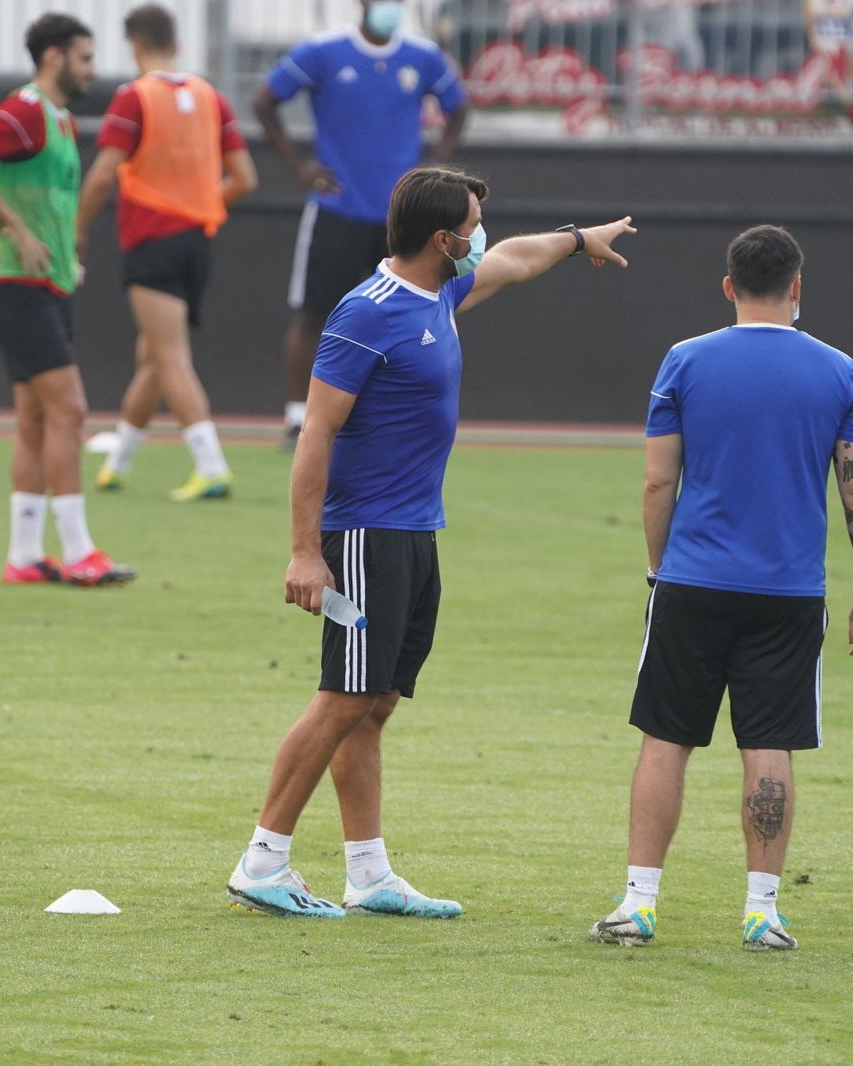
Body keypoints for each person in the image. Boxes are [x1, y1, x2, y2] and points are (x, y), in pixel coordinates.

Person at [224, 167, 635, 919]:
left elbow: (512, 258)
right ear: (443, 239)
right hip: (362, 537)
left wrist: (581, 241)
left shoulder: (442, 289)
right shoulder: (365, 314)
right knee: (342, 698)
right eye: (473, 224)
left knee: (374, 702)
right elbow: (316, 433)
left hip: (415, 535)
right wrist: (304, 551)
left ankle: (369, 873)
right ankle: (262, 861)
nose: (482, 235)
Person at [589, 225, 853, 952]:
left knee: (666, 739)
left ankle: (639, 904)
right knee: (770, 744)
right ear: (797, 287)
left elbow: (660, 481)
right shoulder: (840, 372)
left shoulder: (685, 362)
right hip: (787, 591)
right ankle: (762, 912)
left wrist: (662, 568)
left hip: (692, 580)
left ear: (728, 287)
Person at [0, 13, 135, 587]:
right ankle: (78, 552)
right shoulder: (24, 109)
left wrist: (65, 241)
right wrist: (15, 228)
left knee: (33, 418)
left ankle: (24, 555)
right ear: (54, 57)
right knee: (69, 409)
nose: (92, 70)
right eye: (85, 57)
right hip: (14, 279)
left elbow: (53, 200)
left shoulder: (62, 121)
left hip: (47, 281)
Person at [256, 0, 470, 449]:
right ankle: (298, 418)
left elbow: (458, 106)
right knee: (315, 311)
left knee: (412, 312)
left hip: (403, 215)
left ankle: (405, 415)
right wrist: (300, 166)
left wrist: (437, 164)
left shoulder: (424, 56)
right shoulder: (323, 52)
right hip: (338, 206)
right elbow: (264, 100)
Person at [77, 3, 257, 502]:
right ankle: (118, 462)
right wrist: (197, 207)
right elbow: (245, 178)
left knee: (170, 356)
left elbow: (100, 174)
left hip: (151, 239)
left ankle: (211, 464)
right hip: (197, 240)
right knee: (153, 356)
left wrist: (75, 229)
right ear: (176, 45)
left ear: (133, 45)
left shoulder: (133, 98)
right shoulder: (210, 97)